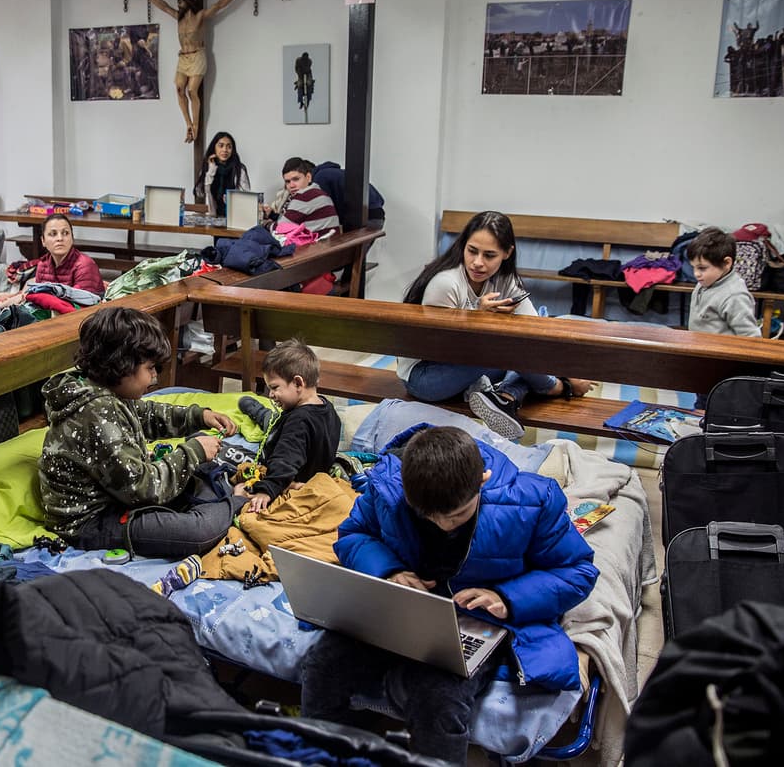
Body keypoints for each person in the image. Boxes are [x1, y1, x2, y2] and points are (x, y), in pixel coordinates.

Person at [300, 425, 599, 764]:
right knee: (322, 668)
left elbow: (577, 572)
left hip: (476, 623)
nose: (443, 525)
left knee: (436, 699)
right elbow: (354, 534)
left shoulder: (533, 502)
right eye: (429, 517)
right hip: (400, 610)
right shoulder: (389, 488)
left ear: (482, 480)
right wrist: (389, 571)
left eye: (457, 515)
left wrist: (507, 598)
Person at [38, 307, 247, 558]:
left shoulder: (103, 390)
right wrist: (192, 452)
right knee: (199, 531)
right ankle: (237, 501)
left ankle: (216, 498)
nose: (155, 377)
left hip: (117, 495)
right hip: (91, 521)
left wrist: (198, 416)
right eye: (150, 368)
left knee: (195, 480)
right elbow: (143, 489)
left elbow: (145, 414)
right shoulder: (95, 412)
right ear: (122, 365)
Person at [396, 211, 595, 441]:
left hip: (468, 363)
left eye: (489, 255)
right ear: (463, 245)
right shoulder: (446, 283)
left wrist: (568, 368)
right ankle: (556, 388)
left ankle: (505, 398)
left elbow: (536, 329)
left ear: (507, 253)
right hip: (424, 375)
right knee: (512, 352)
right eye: (472, 251)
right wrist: (478, 319)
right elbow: (439, 348)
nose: (478, 262)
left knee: (535, 327)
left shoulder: (505, 280)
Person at [140, 0, 251, 143]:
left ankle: (196, 126)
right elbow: (163, 6)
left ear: (189, 3)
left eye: (181, 3)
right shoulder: (179, 18)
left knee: (192, 91)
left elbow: (220, 4)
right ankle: (188, 124)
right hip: (183, 57)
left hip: (197, 55)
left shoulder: (199, 16)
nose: (178, 5)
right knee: (179, 89)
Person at [236, 339, 341, 513]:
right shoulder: (326, 406)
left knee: (230, 453)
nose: (271, 395)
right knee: (274, 418)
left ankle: (258, 412)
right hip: (291, 432)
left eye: (275, 387)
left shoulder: (298, 422)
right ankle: (258, 411)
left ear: (298, 383)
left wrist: (267, 490)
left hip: (290, 476)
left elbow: (285, 459)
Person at [0, 215, 105, 306]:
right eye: (53, 234)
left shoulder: (84, 265)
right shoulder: (43, 265)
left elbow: (80, 305)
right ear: (43, 241)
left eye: (65, 233)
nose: (60, 238)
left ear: (72, 238)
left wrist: (23, 297)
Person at [686, 227, 762, 339]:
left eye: (702, 268)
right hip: (699, 349)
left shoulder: (734, 296)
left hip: (719, 354)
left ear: (727, 263)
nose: (696, 274)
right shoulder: (706, 281)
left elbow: (751, 338)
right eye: (693, 267)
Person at [266, 157, 341, 237]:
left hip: (318, 247)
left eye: (296, 179)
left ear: (308, 177)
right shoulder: (319, 192)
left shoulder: (304, 196)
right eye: (288, 182)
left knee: (257, 233)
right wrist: (271, 215)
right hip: (329, 245)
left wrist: (265, 224)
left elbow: (279, 230)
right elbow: (292, 221)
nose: (291, 185)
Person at [194, 131, 252, 216]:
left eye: (229, 147)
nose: (225, 150)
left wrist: (231, 199)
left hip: (235, 216)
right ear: (214, 148)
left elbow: (246, 196)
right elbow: (200, 192)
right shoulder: (208, 167)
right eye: (221, 146)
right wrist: (211, 171)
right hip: (213, 216)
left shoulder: (239, 169)